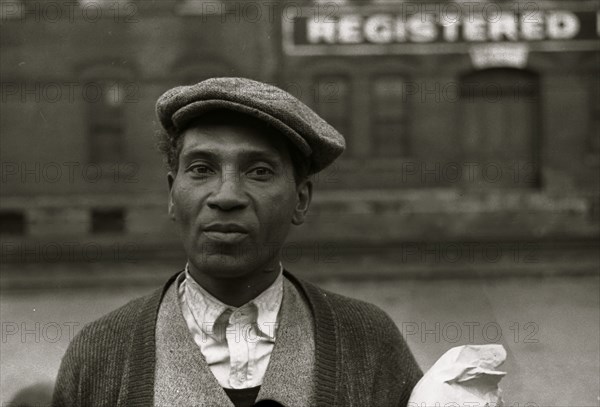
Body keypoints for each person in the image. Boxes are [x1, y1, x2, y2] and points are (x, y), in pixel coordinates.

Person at [52, 77, 422, 407]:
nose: (226, 196)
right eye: (201, 169)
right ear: (171, 194)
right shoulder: (101, 353)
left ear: (301, 199)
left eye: (259, 172)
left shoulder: (368, 342)